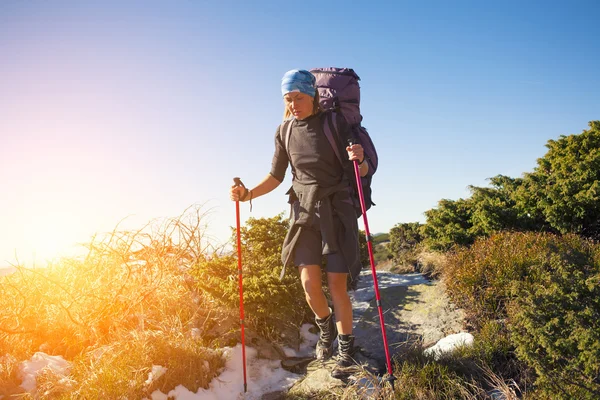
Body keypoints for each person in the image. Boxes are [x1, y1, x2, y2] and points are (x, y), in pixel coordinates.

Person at [229, 69, 369, 378]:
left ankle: (345, 347)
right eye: (288, 99)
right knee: (308, 285)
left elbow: (360, 167)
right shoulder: (284, 131)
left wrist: (361, 159)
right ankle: (326, 329)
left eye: (299, 98)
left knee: (336, 286)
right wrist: (248, 193)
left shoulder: (335, 122)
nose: (294, 104)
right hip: (303, 213)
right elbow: (277, 176)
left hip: (336, 211)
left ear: (313, 96)